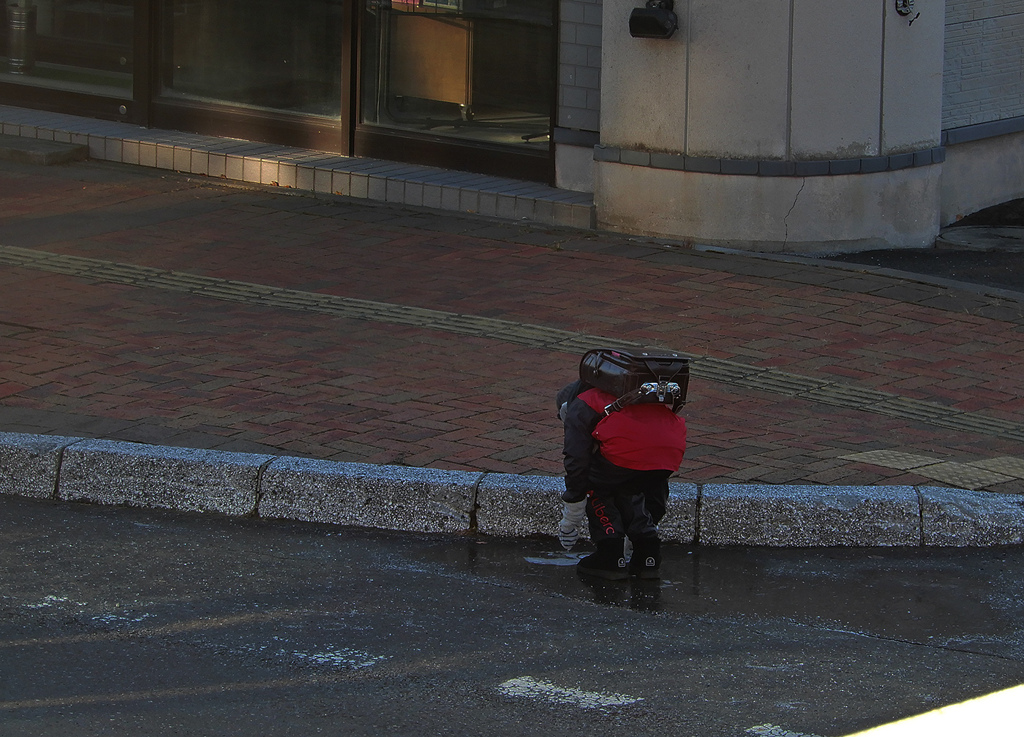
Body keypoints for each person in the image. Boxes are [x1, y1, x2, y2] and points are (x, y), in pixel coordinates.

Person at [556, 373, 687, 580]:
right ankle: (648, 555)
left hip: (626, 454)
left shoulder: (579, 405)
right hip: (670, 449)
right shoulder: (627, 396)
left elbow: (576, 461)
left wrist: (572, 511)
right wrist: (650, 523)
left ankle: (610, 555)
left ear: (565, 407)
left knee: (596, 481)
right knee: (631, 483)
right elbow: (655, 486)